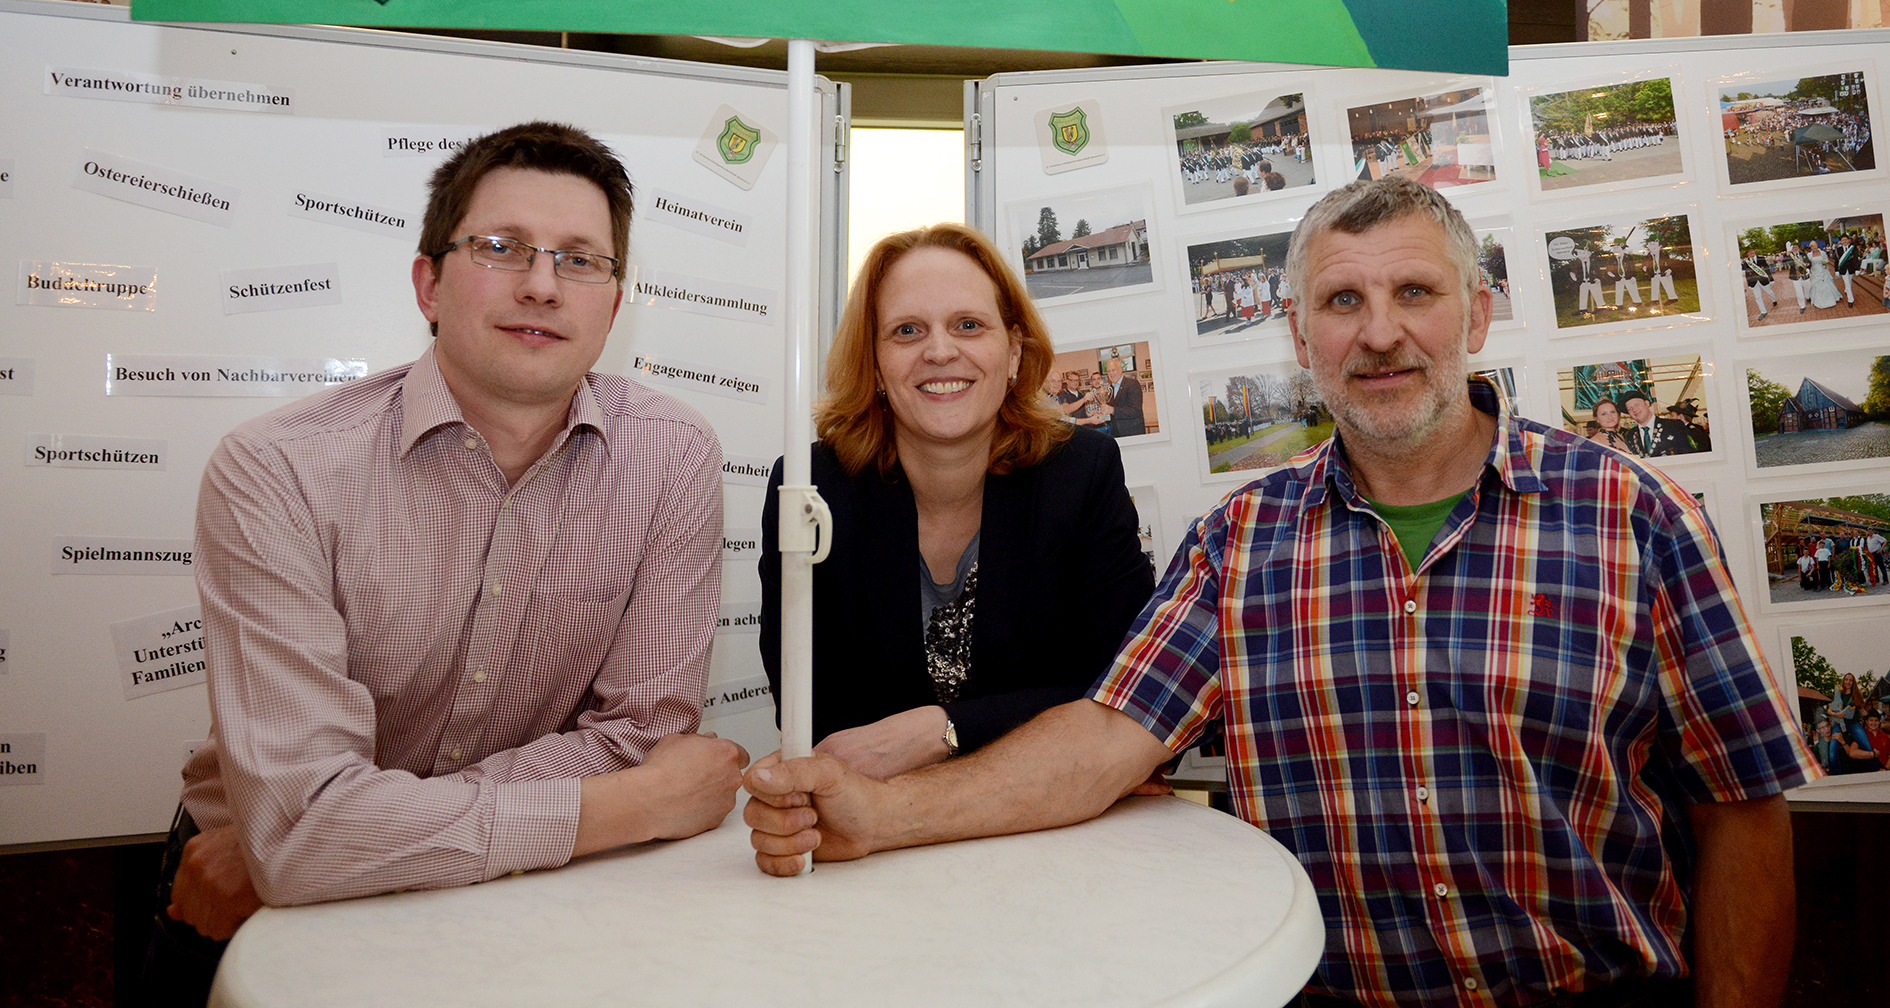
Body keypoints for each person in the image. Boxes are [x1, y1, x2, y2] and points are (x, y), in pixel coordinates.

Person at [745, 177, 1817, 1008]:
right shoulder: (1242, 542)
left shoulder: (1637, 516)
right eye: (1342, 301)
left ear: (1478, 314)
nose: (1380, 332)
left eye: (1414, 293)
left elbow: (1744, 803)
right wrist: (876, 813)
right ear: (1301, 337)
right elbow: (1103, 738)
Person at [145, 124, 748, 1006]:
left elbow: (640, 736)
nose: (542, 285)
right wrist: (630, 805)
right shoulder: (277, 469)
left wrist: (351, 835)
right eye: (502, 248)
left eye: (581, 260)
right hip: (241, 909)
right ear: (429, 283)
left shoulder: (673, 456)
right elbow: (304, 832)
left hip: (519, 894)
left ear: (615, 305)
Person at [757, 223, 1153, 780]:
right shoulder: (809, 488)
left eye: (968, 325)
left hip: (1054, 817)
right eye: (907, 331)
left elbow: (1128, 693)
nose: (940, 352)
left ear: (1013, 351)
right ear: (874, 362)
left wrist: (944, 731)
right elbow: (814, 714)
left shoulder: (1082, 472)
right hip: (875, 819)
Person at [1623, 391, 1702, 458]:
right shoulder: (1629, 435)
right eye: (1630, 409)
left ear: (1647, 403)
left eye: (1637, 404)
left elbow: (1690, 454)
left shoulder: (1674, 426)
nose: (1634, 409)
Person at [1103, 354, 1147, 437]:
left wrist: (1113, 410)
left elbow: (1135, 411)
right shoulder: (1110, 389)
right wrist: (1101, 415)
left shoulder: (1132, 384)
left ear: (1120, 370)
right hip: (1116, 434)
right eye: (1108, 371)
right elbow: (1111, 414)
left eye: (1113, 370)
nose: (1111, 373)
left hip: (1132, 433)